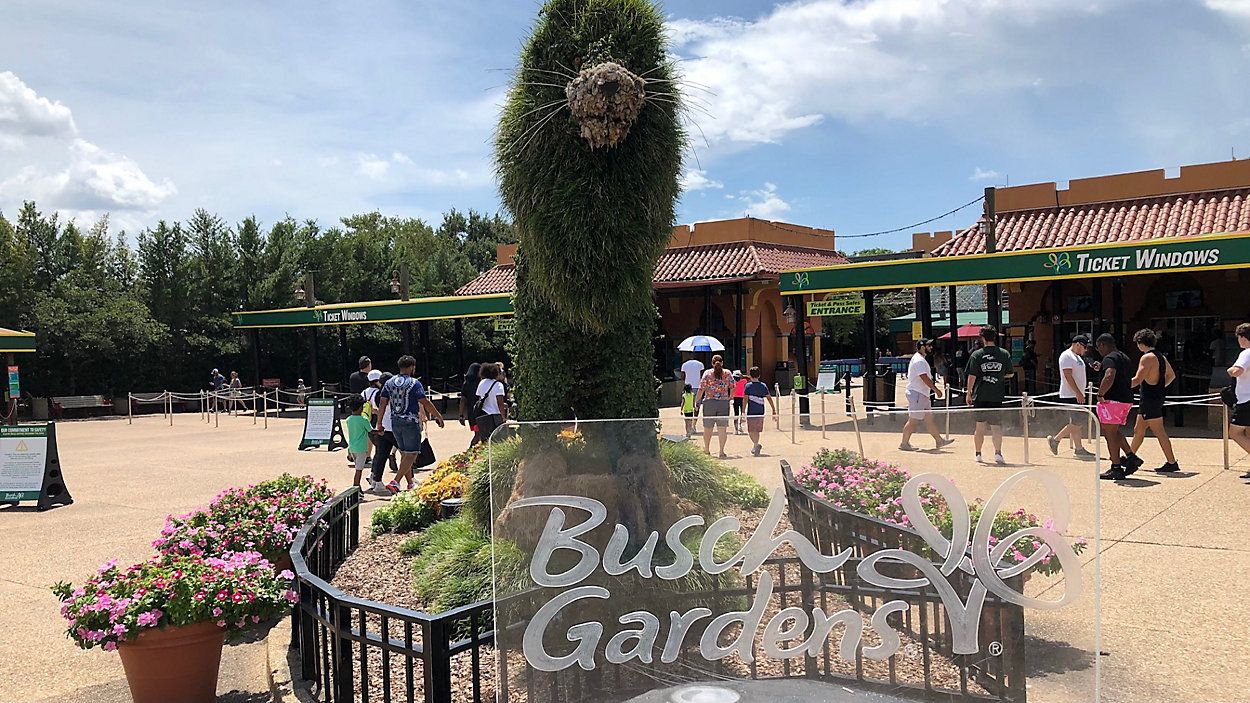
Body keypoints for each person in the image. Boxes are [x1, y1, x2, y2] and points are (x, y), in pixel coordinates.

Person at [375, 356, 445, 493]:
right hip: (410, 421)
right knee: (412, 454)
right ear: (412, 367)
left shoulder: (389, 383)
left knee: (405, 454)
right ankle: (396, 481)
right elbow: (425, 401)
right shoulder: (414, 383)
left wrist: (379, 423)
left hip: (395, 422)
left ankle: (410, 483)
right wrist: (437, 415)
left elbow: (383, 403)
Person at [1127, 329, 1179, 474]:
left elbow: (1137, 380)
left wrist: (1120, 386)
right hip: (1155, 398)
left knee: (1159, 431)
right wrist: (1160, 387)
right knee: (1139, 430)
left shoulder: (1147, 358)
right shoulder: (1161, 357)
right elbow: (1171, 375)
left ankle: (1171, 462)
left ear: (1141, 343)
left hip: (1149, 399)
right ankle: (1130, 457)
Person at [1094, 333, 1141, 480]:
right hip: (1125, 400)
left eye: (1098, 347)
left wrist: (1101, 394)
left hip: (1112, 400)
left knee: (1109, 434)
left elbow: (1109, 375)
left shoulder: (1109, 358)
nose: (1098, 351)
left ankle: (1116, 467)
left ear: (1103, 344)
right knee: (1113, 430)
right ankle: (1131, 457)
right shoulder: (1124, 357)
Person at [965, 326, 1013, 464]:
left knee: (979, 426)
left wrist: (969, 392)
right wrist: (998, 375)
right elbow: (1010, 373)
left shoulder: (977, 354)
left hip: (980, 395)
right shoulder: (1004, 354)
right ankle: (998, 453)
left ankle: (978, 454)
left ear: (982, 338)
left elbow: (972, 375)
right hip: (996, 395)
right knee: (996, 426)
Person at [900, 338, 955, 452]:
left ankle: (939, 441)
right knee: (913, 420)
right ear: (922, 347)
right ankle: (904, 443)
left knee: (929, 419)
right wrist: (936, 390)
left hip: (922, 394)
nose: (931, 347)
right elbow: (923, 377)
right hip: (917, 394)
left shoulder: (921, 359)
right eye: (929, 345)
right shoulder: (919, 360)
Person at [1048, 335, 1095, 459]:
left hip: (1077, 393)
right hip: (1070, 394)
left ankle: (1078, 448)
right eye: (1084, 347)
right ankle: (1056, 439)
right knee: (1078, 422)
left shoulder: (1077, 357)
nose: (1085, 350)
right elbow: (1068, 376)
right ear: (1078, 344)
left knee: (1076, 422)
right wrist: (1077, 392)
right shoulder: (1066, 356)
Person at [695, 354, 733, 458]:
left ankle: (707, 449)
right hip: (723, 403)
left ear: (712, 363)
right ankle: (721, 451)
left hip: (709, 402)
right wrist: (730, 397)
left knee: (708, 428)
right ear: (722, 362)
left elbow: (701, 388)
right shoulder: (727, 373)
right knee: (722, 429)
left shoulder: (707, 373)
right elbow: (733, 386)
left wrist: (696, 401)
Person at [366, 371, 398, 493]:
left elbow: (375, 409)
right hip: (393, 427)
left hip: (380, 427)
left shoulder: (376, 394)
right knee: (407, 454)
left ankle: (376, 481)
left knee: (380, 455)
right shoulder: (392, 393)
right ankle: (409, 481)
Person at [1226, 323, 1250, 479]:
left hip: (1246, 399)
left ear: (1243, 337)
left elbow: (1238, 370)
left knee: (1234, 432)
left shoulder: (1246, 353)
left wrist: (1230, 370)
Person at [472, 362, 509, 445]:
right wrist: (503, 417)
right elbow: (500, 403)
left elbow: (479, 397)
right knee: (500, 440)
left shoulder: (481, 383)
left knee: (486, 441)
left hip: (483, 414)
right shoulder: (498, 385)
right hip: (496, 415)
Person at [743, 366, 777, 456]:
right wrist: (773, 409)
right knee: (756, 430)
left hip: (752, 411)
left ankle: (756, 444)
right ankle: (756, 445)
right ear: (759, 375)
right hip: (760, 410)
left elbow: (745, 399)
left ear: (750, 375)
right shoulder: (763, 385)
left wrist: (743, 411)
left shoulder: (748, 386)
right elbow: (769, 398)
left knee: (751, 430)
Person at [344, 395, 371, 491]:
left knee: (358, 468)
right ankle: (356, 488)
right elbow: (370, 430)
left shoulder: (349, 419)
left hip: (352, 448)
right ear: (360, 408)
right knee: (359, 471)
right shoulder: (364, 420)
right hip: (361, 448)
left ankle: (357, 488)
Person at [458, 363, 482, 446]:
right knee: (479, 435)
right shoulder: (481, 383)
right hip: (481, 412)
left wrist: (461, 415)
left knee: (477, 434)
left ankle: (473, 452)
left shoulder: (466, 383)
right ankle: (470, 452)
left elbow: (462, 400)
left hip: (471, 413)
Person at [732, 370, 747, 434]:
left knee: (736, 414)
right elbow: (748, 377)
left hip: (735, 398)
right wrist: (742, 376)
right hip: (741, 398)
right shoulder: (744, 381)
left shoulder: (733, 382)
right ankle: (740, 426)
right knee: (741, 413)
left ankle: (736, 429)